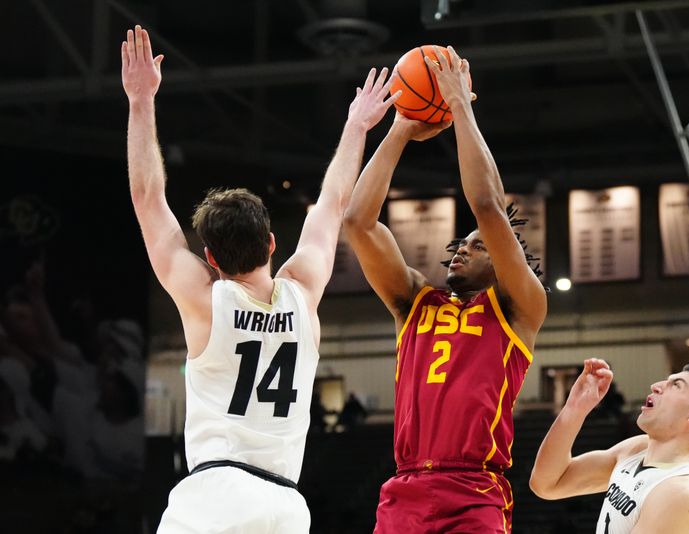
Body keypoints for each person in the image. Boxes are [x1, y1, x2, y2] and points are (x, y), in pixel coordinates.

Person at [121, 24, 400, 533]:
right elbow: (334, 203)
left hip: (216, 495)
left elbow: (147, 199)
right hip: (286, 506)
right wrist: (358, 126)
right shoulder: (303, 292)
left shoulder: (206, 301)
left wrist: (141, 100)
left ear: (208, 256)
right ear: (273, 244)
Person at [344, 46, 547, 533]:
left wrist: (460, 107)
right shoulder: (415, 303)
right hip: (405, 490)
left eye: (476, 247)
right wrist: (400, 131)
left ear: (503, 262)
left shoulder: (519, 308)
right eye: (459, 243)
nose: (460, 249)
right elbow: (357, 222)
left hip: (474, 491)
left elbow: (487, 206)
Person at [530, 359, 689, 534]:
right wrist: (575, 408)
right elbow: (548, 483)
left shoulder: (684, 491)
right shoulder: (637, 449)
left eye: (676, 385)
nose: (656, 385)